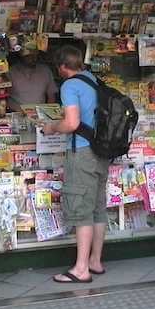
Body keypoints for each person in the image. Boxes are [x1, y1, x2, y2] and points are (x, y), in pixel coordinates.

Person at [42, 45, 109, 283]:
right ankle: (95, 261)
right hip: (102, 152)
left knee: (81, 211)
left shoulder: (70, 85)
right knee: (98, 209)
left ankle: (81, 269)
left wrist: (51, 128)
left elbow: (71, 123)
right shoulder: (93, 79)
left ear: (61, 67)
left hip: (82, 153)